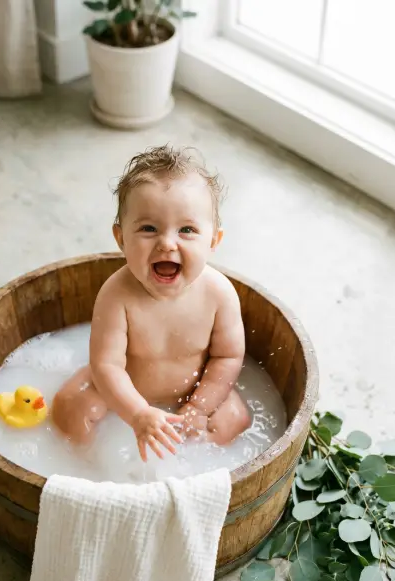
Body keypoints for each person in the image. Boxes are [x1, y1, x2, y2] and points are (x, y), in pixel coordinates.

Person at [52, 145, 250, 461]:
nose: (167, 243)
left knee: (236, 419)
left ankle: (194, 471)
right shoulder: (117, 295)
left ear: (212, 241)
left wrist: (199, 407)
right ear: (121, 238)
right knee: (68, 409)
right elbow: (106, 366)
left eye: (187, 230)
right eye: (148, 228)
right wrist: (137, 413)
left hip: (192, 390)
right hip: (121, 390)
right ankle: (85, 468)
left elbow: (227, 357)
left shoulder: (219, 294)